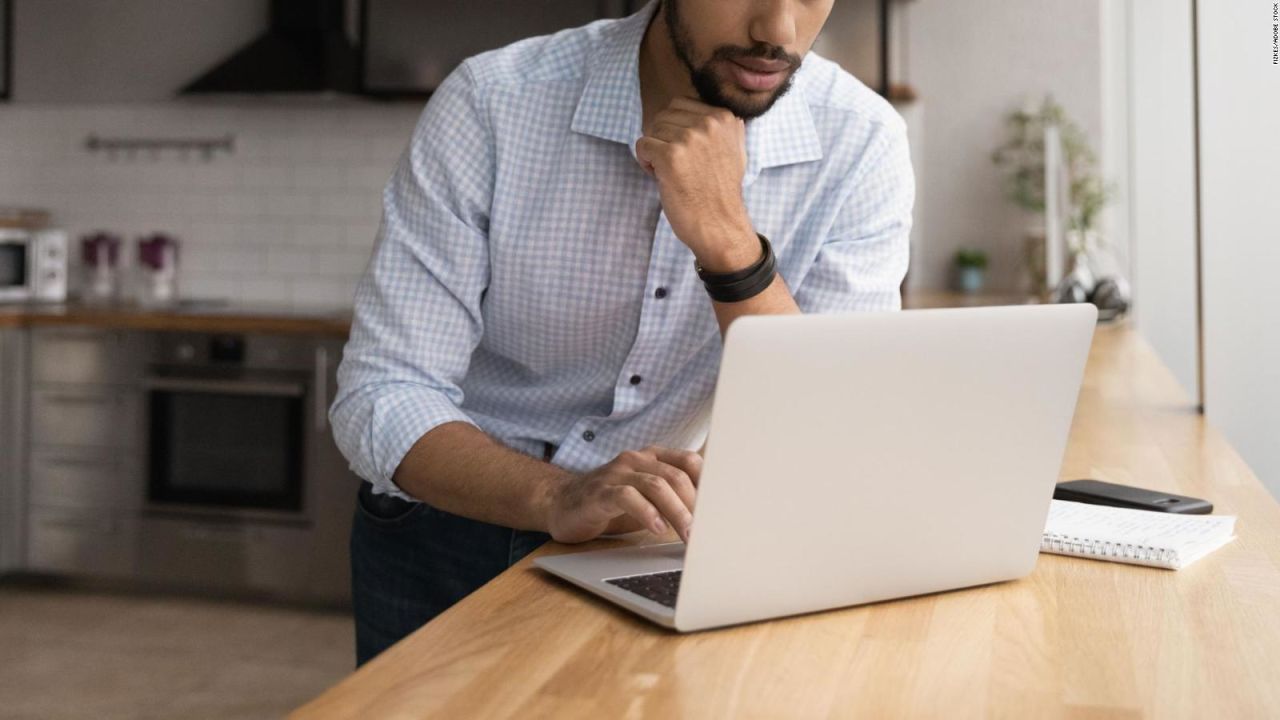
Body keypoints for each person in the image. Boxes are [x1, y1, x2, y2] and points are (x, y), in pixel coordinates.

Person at [331, 0, 914, 665]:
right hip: (448, 524)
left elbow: (830, 436)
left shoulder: (862, 142)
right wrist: (557, 495)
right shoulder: (494, 103)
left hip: (648, 542)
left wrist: (729, 241)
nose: (777, 32)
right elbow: (382, 391)